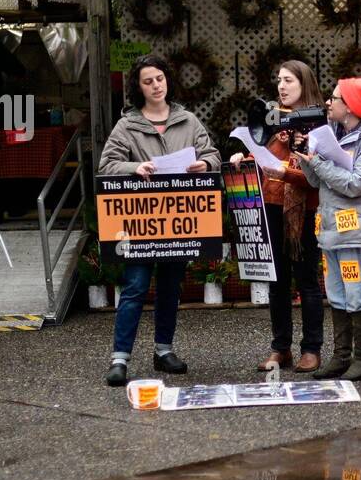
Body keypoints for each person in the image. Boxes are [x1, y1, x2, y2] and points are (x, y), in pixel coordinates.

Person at [99, 54, 220, 387]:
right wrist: (133, 167)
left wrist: (205, 165)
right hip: (141, 222)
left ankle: (163, 350)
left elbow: (212, 155)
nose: (155, 85)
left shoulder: (188, 120)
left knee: (170, 287)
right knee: (135, 286)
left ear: (168, 80)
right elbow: (107, 164)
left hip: (178, 221)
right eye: (147, 81)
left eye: (160, 79)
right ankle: (119, 358)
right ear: (138, 87)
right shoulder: (127, 124)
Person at [293, 76, 361, 382]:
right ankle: (341, 357)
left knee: (357, 294)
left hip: (355, 233)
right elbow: (317, 182)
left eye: (335, 98)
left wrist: (321, 165)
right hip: (331, 232)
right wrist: (308, 161)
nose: (328, 102)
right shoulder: (331, 136)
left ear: (350, 107)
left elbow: (356, 184)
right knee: (337, 294)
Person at [231, 61, 324, 373]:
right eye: (279, 80)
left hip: (303, 211)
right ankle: (280, 347)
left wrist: (284, 170)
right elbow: (262, 154)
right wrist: (242, 158)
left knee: (308, 281)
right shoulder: (274, 120)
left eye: (289, 81)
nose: (282, 87)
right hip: (270, 206)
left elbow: (315, 176)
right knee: (277, 280)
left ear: (304, 85)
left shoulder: (317, 124)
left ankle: (311, 349)